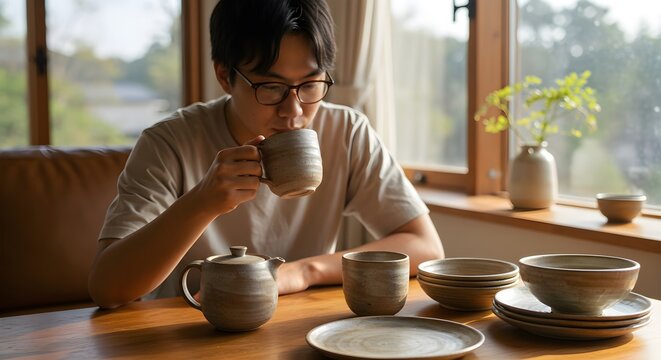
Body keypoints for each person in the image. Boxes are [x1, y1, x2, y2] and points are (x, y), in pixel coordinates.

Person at [88, 0, 444, 309]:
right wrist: (201, 202)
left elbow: (425, 247)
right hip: (188, 333)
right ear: (225, 76)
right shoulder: (169, 143)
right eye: (270, 87)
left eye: (310, 84)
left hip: (296, 328)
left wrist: (303, 272)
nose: (294, 111)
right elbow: (108, 288)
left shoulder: (346, 132)